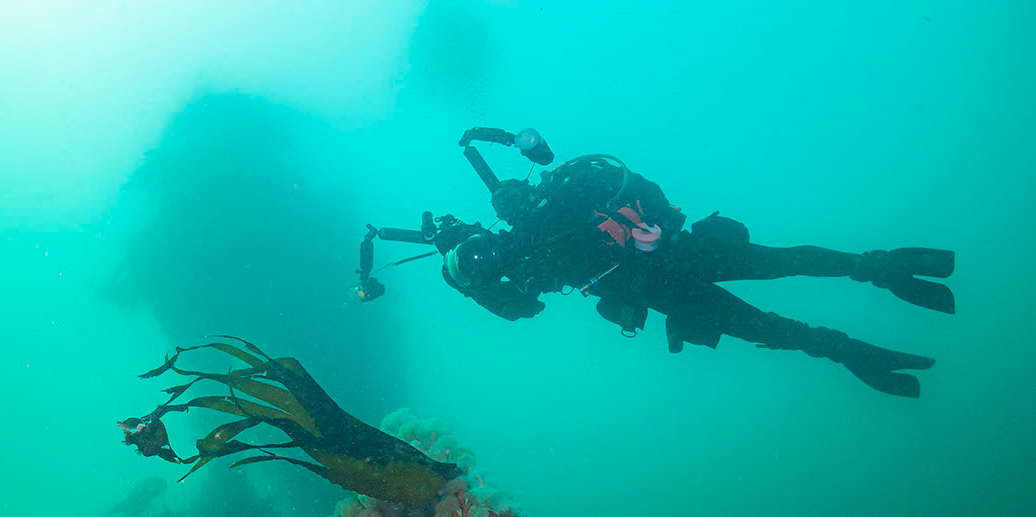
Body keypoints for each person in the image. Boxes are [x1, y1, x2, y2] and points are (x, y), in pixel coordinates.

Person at [357, 129, 955, 398]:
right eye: (478, 263)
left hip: (683, 254)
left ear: (493, 220)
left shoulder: (549, 199)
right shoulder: (524, 273)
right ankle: (859, 356)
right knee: (776, 331)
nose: (489, 258)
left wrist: (652, 227)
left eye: (481, 249)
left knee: (787, 262)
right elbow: (522, 310)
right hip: (665, 295)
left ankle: (885, 267)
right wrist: (467, 280)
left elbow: (621, 174)